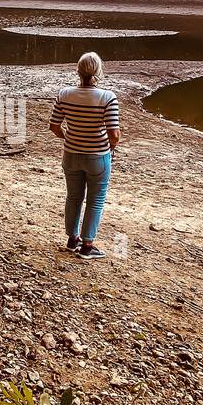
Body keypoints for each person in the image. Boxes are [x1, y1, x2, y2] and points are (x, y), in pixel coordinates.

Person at [48, 52, 120, 259]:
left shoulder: (64, 94)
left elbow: (54, 126)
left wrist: (68, 138)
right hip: (97, 156)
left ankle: (72, 240)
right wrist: (111, 146)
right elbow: (113, 134)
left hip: (70, 154)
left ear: (78, 71)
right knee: (95, 200)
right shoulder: (107, 97)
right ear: (98, 72)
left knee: (74, 197)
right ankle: (87, 246)